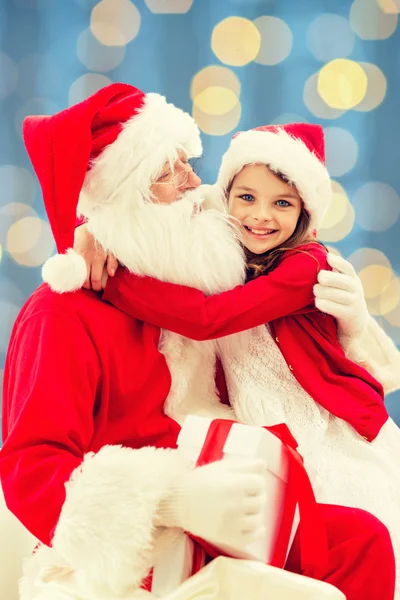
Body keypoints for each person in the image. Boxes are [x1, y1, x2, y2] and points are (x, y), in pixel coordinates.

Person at [0, 86, 396, 600]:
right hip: (133, 547)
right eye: (169, 170)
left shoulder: (195, 277)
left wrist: (356, 326)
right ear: (125, 196)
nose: (195, 182)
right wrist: (171, 501)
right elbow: (32, 470)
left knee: (362, 541)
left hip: (229, 512)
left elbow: (248, 227)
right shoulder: (62, 313)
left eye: (189, 162)